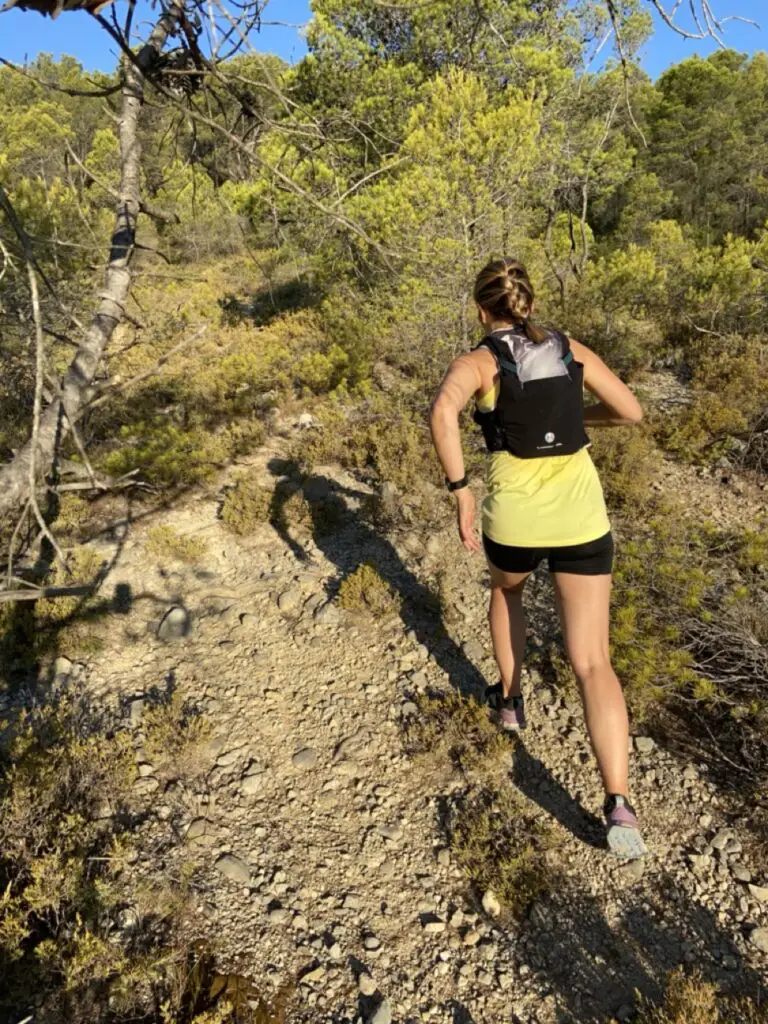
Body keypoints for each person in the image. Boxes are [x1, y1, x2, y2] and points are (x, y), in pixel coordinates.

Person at [429, 257, 646, 859]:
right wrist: (583, 418)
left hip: (516, 521)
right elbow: (631, 410)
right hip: (582, 519)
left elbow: (443, 412)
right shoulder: (570, 348)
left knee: (508, 592)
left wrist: (460, 492)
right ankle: (619, 801)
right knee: (593, 661)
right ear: (528, 303)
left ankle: (510, 699)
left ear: (481, 308)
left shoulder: (477, 362)